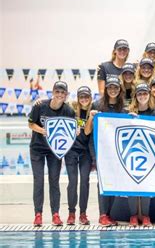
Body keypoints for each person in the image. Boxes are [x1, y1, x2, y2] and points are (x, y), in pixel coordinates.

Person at [28, 81, 75, 227]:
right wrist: (42, 130)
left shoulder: (68, 111)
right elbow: (30, 124)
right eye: (57, 91)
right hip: (37, 148)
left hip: (55, 150)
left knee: (54, 181)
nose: (60, 94)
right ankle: (38, 214)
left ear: (66, 95)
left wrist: (76, 130)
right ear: (53, 92)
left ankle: (55, 214)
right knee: (39, 180)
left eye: (63, 92)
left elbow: (73, 126)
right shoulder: (40, 106)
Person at [84, 75, 126, 227]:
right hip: (99, 150)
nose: (113, 90)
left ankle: (108, 214)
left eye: (116, 88)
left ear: (119, 89)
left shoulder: (123, 108)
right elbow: (87, 132)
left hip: (116, 151)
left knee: (114, 182)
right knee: (102, 182)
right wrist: (90, 117)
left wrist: (133, 118)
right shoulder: (97, 104)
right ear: (106, 90)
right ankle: (102, 215)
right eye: (110, 88)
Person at [126, 82, 155, 227]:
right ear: (135, 96)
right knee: (132, 186)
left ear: (149, 95)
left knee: (146, 186)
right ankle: (133, 216)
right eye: (140, 94)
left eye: (145, 93)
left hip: (149, 156)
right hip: (132, 156)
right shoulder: (128, 113)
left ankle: (145, 216)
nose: (142, 96)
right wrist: (128, 120)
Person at [65, 86, 94, 226]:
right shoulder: (70, 110)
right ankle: (71, 213)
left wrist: (91, 117)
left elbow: (87, 132)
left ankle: (83, 213)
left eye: (86, 97)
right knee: (72, 181)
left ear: (90, 98)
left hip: (85, 152)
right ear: (78, 98)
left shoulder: (92, 111)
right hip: (71, 151)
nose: (84, 99)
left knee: (84, 181)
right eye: (81, 97)